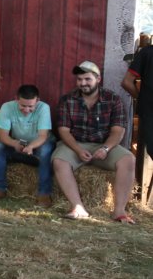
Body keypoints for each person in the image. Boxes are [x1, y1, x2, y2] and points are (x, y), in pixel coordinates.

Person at [53, 61, 135, 223]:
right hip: (75, 144)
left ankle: (119, 211)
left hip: (104, 144)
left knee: (129, 159)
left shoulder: (113, 99)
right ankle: (78, 207)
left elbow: (118, 131)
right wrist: (77, 150)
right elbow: (64, 131)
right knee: (58, 161)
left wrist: (105, 148)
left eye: (87, 79)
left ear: (98, 79)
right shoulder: (67, 100)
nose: (83, 83)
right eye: (79, 79)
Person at [0, 84, 56, 207]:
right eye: (23, 106)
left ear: (37, 101)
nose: (26, 110)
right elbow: (2, 135)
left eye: (30, 106)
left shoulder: (44, 108)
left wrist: (31, 147)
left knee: (45, 151)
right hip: (19, 144)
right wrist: (14, 144)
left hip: (39, 144)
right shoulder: (7, 107)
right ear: (16, 99)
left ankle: (44, 194)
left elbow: (43, 136)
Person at [122, 45, 153, 161]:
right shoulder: (148, 52)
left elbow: (127, 82)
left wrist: (144, 99)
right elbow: (127, 82)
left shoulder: (147, 52)